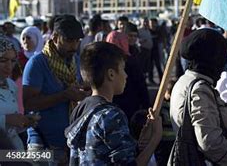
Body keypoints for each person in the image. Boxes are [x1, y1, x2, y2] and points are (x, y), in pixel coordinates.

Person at [169, 28, 227, 165]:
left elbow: (222, 113)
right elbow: (210, 142)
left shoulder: (190, 81)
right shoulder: (199, 89)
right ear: (212, 58)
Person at [65, 42, 162, 166]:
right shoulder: (111, 115)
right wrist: (155, 139)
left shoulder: (80, 108)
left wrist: (136, 145)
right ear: (111, 74)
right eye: (122, 69)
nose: (126, 75)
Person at [23, 15, 90, 164]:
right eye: (68, 40)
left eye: (77, 41)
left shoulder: (75, 62)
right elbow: (28, 104)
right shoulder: (37, 64)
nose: (73, 46)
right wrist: (64, 95)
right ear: (55, 38)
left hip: (69, 142)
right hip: (41, 143)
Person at [0, 34, 40, 150]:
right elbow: (7, 120)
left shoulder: (11, 85)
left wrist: (24, 122)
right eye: (3, 60)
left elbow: (11, 129)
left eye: (13, 61)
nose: (9, 66)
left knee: (49, 158)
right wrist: (6, 119)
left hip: (14, 152)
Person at [105, 31, 150, 121]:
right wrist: (147, 106)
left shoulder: (104, 62)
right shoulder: (130, 61)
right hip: (131, 104)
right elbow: (141, 85)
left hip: (111, 106)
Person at [138, 17, 153, 82]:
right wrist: (142, 41)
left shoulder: (148, 30)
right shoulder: (139, 30)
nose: (145, 23)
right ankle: (142, 80)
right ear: (141, 22)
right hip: (142, 50)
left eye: (146, 22)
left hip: (149, 50)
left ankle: (147, 79)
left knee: (148, 66)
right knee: (142, 66)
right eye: (144, 21)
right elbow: (136, 40)